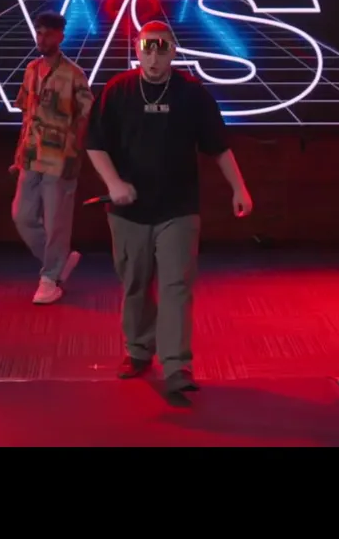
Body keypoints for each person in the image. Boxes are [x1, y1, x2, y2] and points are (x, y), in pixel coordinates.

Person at [85, 20, 253, 407]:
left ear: (173, 52)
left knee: (177, 285)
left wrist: (239, 188)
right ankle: (139, 350)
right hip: (128, 211)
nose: (154, 58)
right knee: (136, 283)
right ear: (137, 50)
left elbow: (218, 145)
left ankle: (177, 367)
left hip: (178, 208)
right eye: (147, 48)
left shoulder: (192, 94)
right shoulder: (117, 90)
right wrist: (113, 183)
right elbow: (94, 144)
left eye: (162, 49)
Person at [10, 11, 94, 305]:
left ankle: (50, 278)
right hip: (31, 156)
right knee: (22, 216)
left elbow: (86, 117)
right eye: (38, 33)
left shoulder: (73, 74)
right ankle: (59, 262)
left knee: (56, 221)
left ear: (60, 36)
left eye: (47, 34)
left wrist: (75, 153)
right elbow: (26, 114)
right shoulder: (31, 69)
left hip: (60, 158)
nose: (41, 39)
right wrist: (18, 153)